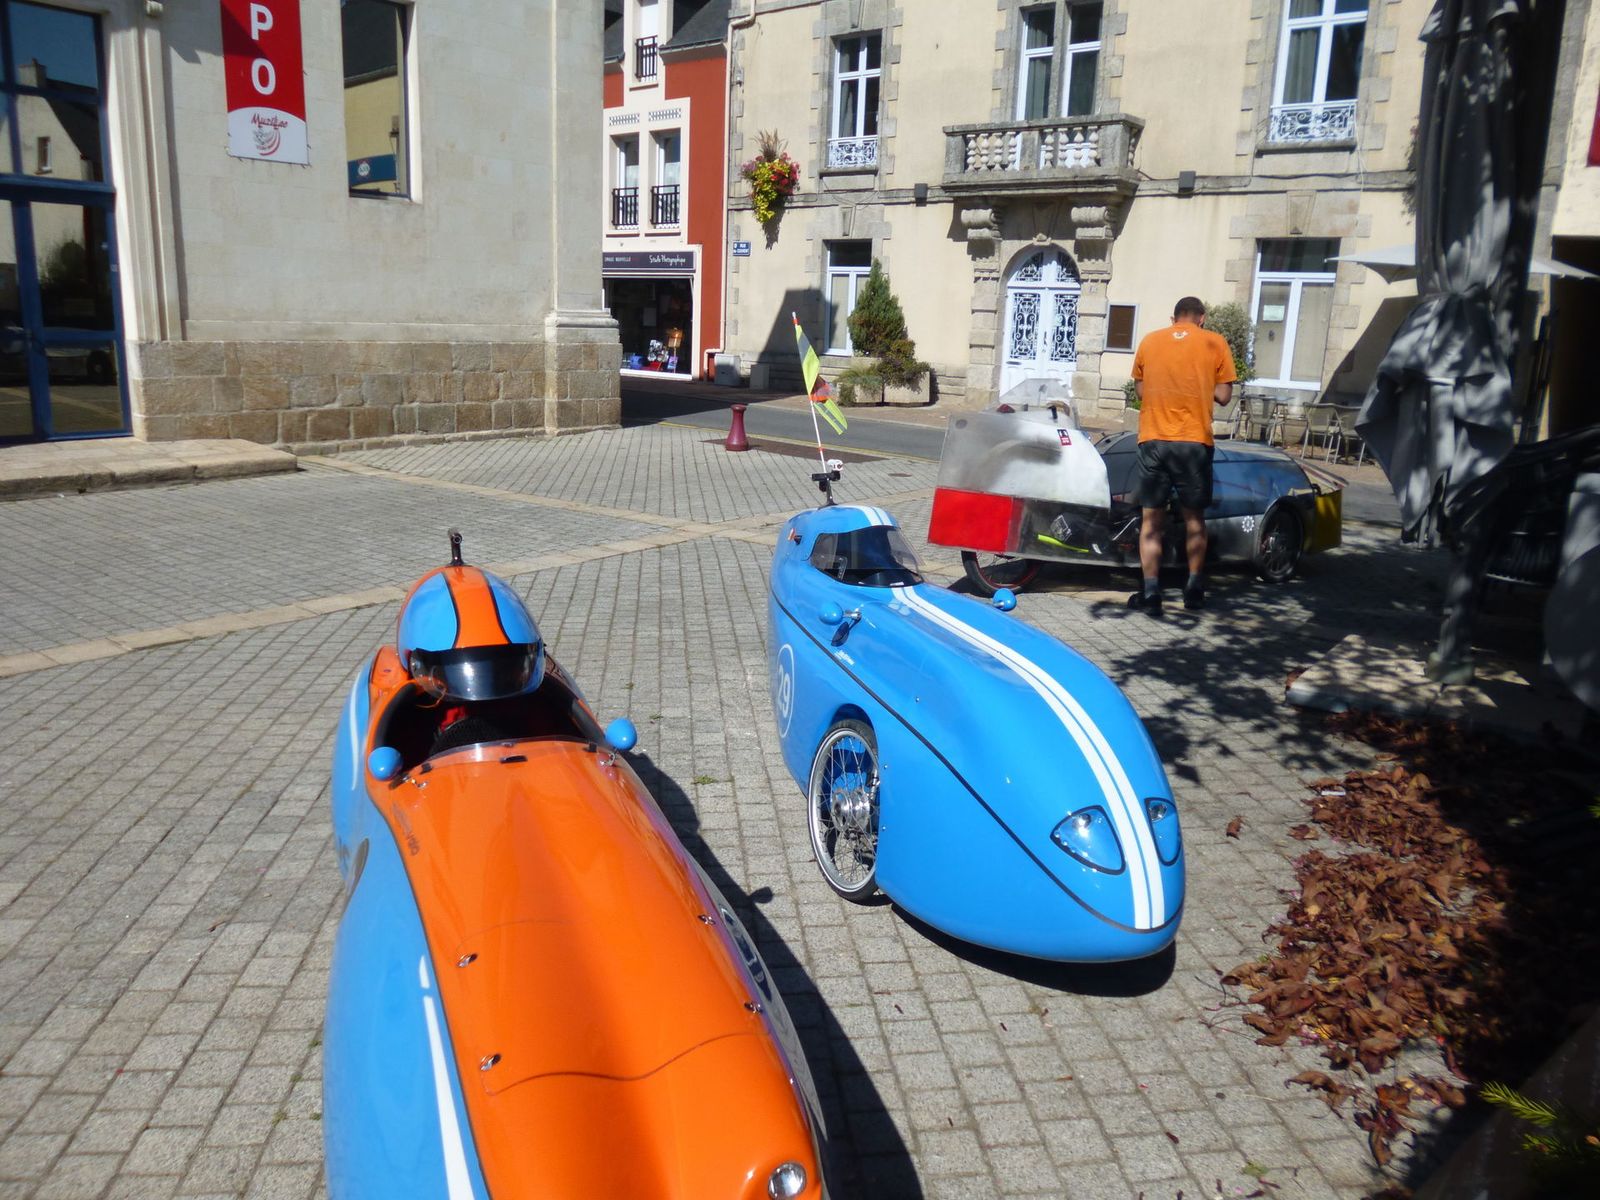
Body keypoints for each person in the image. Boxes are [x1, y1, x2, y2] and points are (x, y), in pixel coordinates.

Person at [1126, 296, 1237, 613]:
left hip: (1154, 439)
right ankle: (1194, 590)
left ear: (1173, 318)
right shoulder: (1214, 342)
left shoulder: (1150, 341)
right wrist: (1201, 385)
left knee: (1151, 520)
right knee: (1194, 519)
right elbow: (1224, 395)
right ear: (1202, 318)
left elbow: (1141, 390)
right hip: (1193, 442)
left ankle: (1151, 594)